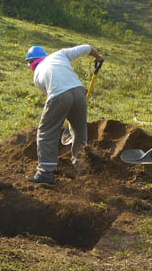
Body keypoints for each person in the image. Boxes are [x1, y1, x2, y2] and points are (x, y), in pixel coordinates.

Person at [25, 43, 105, 184]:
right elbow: (87, 47)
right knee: (80, 130)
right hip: (79, 92)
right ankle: (82, 166)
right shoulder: (60, 54)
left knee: (47, 132)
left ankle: (45, 172)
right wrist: (98, 57)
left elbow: (55, 98)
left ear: (32, 63)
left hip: (59, 95)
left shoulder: (37, 76)